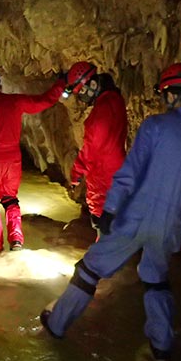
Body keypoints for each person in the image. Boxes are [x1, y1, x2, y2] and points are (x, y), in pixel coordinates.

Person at [40, 62, 181, 361]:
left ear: (171, 95)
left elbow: (129, 172)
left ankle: (58, 324)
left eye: (164, 93)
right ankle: (162, 344)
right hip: (171, 226)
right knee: (155, 278)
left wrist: (111, 208)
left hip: (136, 217)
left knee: (90, 269)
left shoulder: (155, 126)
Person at [0, 68, 67, 252]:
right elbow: (44, 100)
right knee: (10, 200)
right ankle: (16, 240)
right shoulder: (15, 101)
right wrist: (60, 84)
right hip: (13, 160)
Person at [63, 62, 129, 233]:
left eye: (81, 91)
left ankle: (101, 258)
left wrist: (76, 174)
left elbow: (91, 150)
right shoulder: (115, 100)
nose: (82, 96)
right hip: (117, 173)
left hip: (103, 179)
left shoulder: (103, 109)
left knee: (103, 228)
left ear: (92, 84)